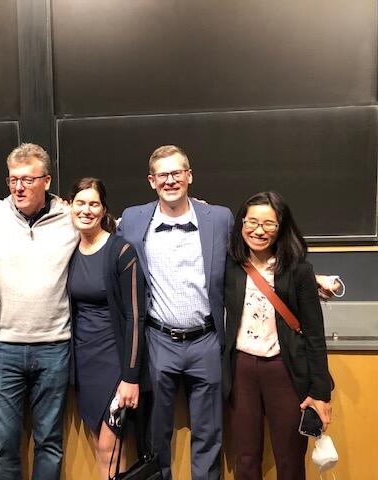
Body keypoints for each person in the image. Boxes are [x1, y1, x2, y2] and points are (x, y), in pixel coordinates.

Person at [0, 143, 79, 480]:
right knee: (2, 444)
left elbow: (118, 224)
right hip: (2, 349)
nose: (19, 187)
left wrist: (188, 206)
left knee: (50, 442)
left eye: (28, 179)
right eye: (13, 180)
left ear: (47, 181)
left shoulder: (71, 216)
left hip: (54, 347)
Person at [117, 145, 233, 480]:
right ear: (151, 181)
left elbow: (249, 262)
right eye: (162, 175)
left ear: (189, 175)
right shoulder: (135, 218)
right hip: (158, 340)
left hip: (207, 340)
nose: (170, 180)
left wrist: (309, 279)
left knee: (209, 433)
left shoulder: (219, 218)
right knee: (156, 435)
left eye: (176, 173)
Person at [222, 191, 332, 479]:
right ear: (241, 224)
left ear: (281, 226)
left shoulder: (298, 270)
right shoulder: (229, 265)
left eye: (269, 224)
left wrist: (320, 392)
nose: (259, 231)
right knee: (245, 458)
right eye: (252, 222)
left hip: (284, 369)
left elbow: (315, 335)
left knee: (290, 459)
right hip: (241, 368)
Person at [67, 178, 146, 479]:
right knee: (104, 448)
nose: (86, 210)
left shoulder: (122, 251)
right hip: (85, 365)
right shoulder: (69, 250)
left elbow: (136, 317)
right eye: (80, 203)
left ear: (103, 210)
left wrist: (130, 377)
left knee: (109, 448)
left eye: (93, 204)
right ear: (70, 206)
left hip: (115, 364)